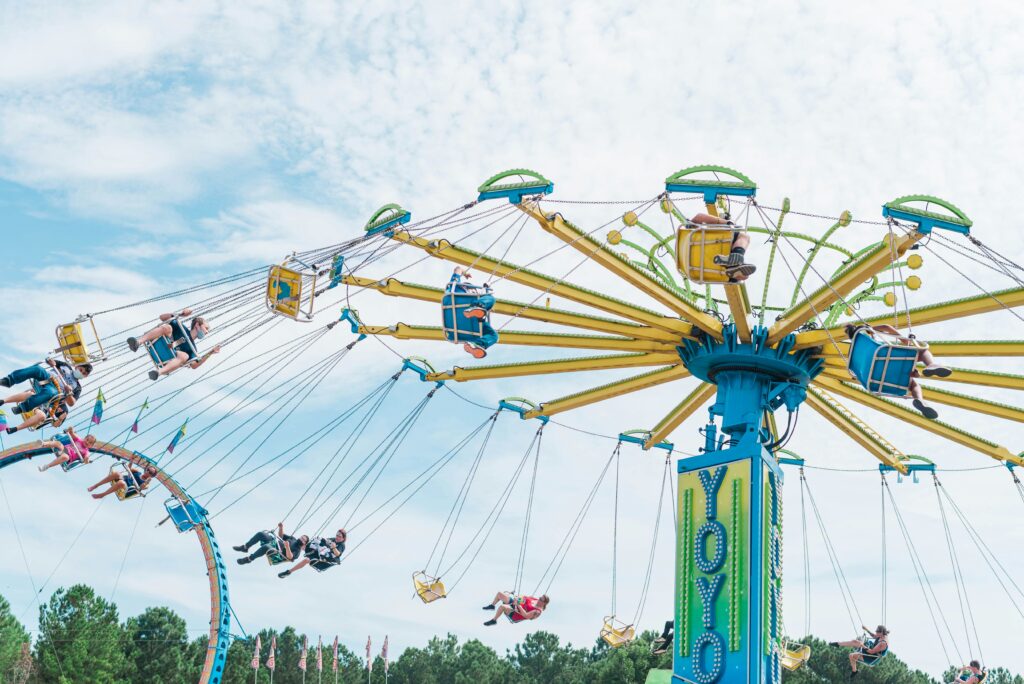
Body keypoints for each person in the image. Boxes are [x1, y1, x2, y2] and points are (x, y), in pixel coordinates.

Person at [845, 323, 950, 419]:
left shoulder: (853, 353)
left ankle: (920, 400)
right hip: (884, 357)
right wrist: (906, 341)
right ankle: (930, 366)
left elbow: (855, 372)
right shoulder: (865, 333)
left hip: (876, 379)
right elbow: (886, 327)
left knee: (912, 383)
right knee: (922, 351)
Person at [126, 308, 221, 380]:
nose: (207, 332)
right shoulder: (181, 328)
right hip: (161, 345)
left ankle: (157, 373)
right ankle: (137, 343)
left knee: (185, 356)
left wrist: (211, 352)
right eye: (206, 328)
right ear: (197, 325)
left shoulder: (192, 349)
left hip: (168, 359)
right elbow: (162, 317)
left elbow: (194, 365)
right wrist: (180, 314)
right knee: (167, 327)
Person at [0, 358, 91, 416]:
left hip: (54, 390)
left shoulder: (77, 387)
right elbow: (51, 361)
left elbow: (71, 403)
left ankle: (22, 408)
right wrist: (51, 362)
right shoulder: (66, 366)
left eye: (84, 374)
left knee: (50, 392)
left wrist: (69, 393)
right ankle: (8, 380)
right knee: (38, 369)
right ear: (77, 366)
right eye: (81, 370)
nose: (81, 373)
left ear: (85, 376)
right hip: (46, 377)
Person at [447, 267, 498, 359]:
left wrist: (464, 273)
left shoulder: (453, 288)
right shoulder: (460, 289)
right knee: (490, 298)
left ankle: (476, 345)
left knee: (494, 336)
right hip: (473, 322)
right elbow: (458, 268)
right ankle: (476, 309)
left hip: (455, 327)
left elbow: (458, 269)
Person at [689, 212, 756, 281]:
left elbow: (698, 217)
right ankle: (736, 258)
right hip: (711, 252)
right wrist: (727, 223)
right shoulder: (691, 232)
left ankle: (733, 263)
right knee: (744, 236)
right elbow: (698, 217)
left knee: (744, 275)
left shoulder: (686, 234)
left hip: (697, 264)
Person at [278, 529, 346, 578]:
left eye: (339, 536)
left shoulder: (342, 545)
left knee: (309, 557)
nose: (337, 537)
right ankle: (289, 572)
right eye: (337, 535)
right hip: (319, 554)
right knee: (307, 559)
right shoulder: (333, 539)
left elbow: (338, 554)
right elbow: (323, 541)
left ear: (343, 538)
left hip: (329, 559)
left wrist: (334, 548)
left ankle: (291, 558)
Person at [233, 523, 308, 565]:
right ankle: (245, 547)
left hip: (277, 553)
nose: (301, 539)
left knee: (266, 547)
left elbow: (290, 557)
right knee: (261, 534)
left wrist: (287, 547)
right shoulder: (293, 539)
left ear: (304, 543)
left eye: (303, 540)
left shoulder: (298, 551)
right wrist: (281, 527)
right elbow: (281, 535)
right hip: (274, 542)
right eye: (302, 537)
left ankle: (249, 559)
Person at [87, 463, 158, 499]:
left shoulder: (146, 484)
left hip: (126, 489)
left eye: (150, 472)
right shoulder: (137, 471)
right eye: (148, 470)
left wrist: (147, 481)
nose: (148, 472)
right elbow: (128, 469)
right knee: (117, 473)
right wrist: (131, 460)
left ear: (152, 476)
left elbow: (142, 487)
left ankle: (102, 495)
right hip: (123, 479)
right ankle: (95, 485)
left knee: (121, 483)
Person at [482, 591, 549, 626]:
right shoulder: (535, 600)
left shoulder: (537, 612)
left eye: (540, 599)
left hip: (517, 614)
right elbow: (525, 598)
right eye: (540, 597)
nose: (539, 599)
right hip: (516, 604)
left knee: (502, 607)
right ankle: (492, 605)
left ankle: (494, 620)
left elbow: (525, 615)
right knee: (500, 594)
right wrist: (516, 597)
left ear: (544, 603)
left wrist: (518, 605)